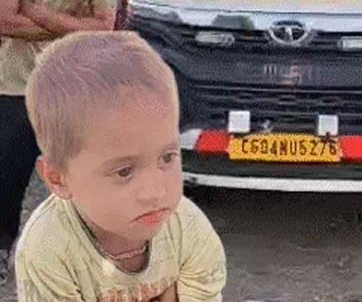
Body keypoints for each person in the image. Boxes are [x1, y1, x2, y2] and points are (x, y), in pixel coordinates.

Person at [15, 32, 227, 301]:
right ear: (58, 178)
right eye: (124, 171)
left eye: (167, 157)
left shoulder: (188, 228)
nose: (155, 192)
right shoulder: (48, 248)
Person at [0, 0, 117, 283]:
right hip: (16, 86)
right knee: (7, 176)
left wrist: (36, 11)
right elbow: (4, 21)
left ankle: (83, 254)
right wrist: (73, 24)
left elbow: (104, 27)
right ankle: (2, 247)